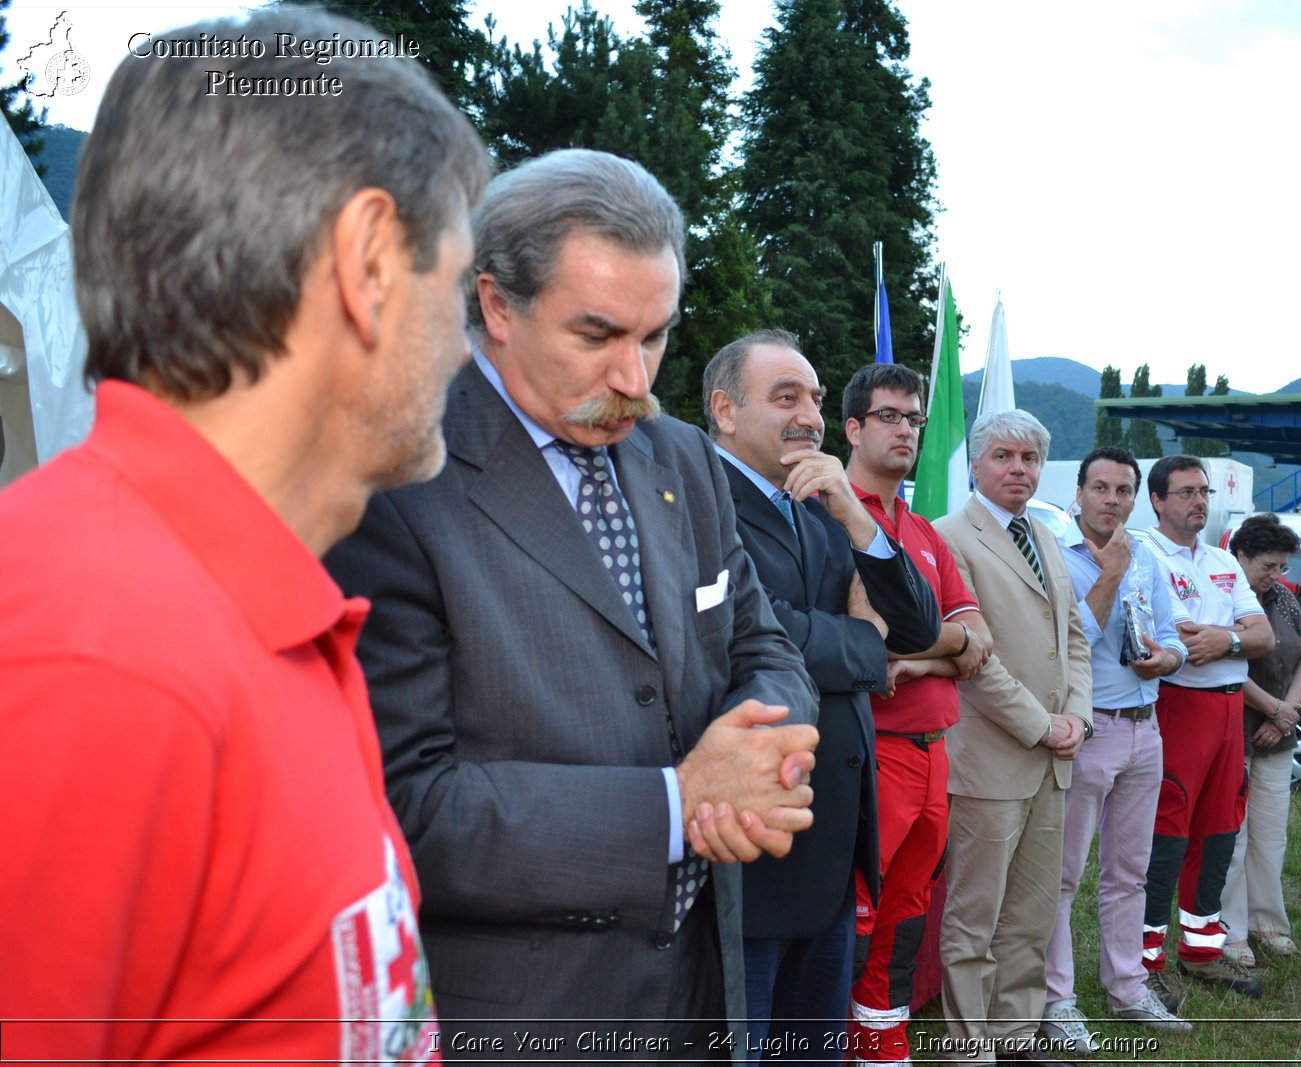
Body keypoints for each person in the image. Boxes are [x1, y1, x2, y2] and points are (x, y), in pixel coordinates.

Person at [0, 9, 490, 1061]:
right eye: (455, 286)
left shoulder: (253, 607)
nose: (466, 347)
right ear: (365, 266)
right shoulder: (93, 658)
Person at [324, 149, 821, 1059]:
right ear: (497, 305)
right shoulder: (391, 481)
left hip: (701, 994)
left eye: (658, 334)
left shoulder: (679, 459)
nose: (637, 377)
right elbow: (404, 806)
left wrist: (765, 748)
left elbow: (763, 641)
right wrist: (679, 805)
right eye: (598, 336)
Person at [702, 331, 940, 1054]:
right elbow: (757, 632)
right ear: (725, 410)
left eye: (813, 396)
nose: (810, 414)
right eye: (786, 397)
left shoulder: (820, 506)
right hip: (751, 835)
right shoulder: (697, 503)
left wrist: (857, 517)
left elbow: (920, 623)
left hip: (832, 836)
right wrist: (866, 645)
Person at [840, 363, 992, 1067]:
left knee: (905, 916)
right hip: (875, 748)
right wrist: (937, 639)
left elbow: (976, 642)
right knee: (859, 914)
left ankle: (883, 1043)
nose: (906, 429)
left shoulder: (924, 530)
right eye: (890, 416)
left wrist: (923, 654)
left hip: (935, 748)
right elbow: (869, 637)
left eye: (915, 419)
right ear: (852, 427)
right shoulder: (832, 515)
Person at [934, 410, 1092, 1066]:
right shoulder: (948, 537)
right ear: (975, 463)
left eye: (1029, 458)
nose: (1018, 469)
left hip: (1054, 757)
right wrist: (1041, 724)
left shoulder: (1046, 535)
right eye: (1003, 456)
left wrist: (1077, 718)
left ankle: (1016, 1040)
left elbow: (1075, 639)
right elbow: (972, 660)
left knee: (1031, 914)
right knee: (975, 916)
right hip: (992, 758)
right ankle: (970, 1049)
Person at [1041, 447, 1193, 1053]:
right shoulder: (1057, 555)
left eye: (1124, 490)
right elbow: (1067, 637)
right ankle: (1058, 999)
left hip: (1144, 726)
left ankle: (1127, 988)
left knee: (1130, 871)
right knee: (1062, 875)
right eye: (1100, 488)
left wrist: (1170, 658)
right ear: (1078, 493)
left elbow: (1174, 628)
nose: (1112, 500)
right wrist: (1110, 572)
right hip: (1087, 729)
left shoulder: (1148, 556)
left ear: (1137, 497)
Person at [1140, 455, 1272, 1003]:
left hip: (1228, 711)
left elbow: (1263, 636)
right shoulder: (1143, 553)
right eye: (1187, 492)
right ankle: (1143, 962)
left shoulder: (1223, 559)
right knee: (1167, 834)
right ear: (1158, 501)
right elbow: (1174, 640)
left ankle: (1200, 951)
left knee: (1219, 832)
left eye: (1204, 491)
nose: (1200, 501)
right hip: (1178, 706)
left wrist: (1229, 639)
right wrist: (1230, 633)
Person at [1219, 513, 1301, 966]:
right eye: (1268, 566)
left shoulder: (1287, 602)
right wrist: (1273, 709)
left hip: (1277, 732)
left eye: (1281, 567)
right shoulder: (1220, 597)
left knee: (1270, 835)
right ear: (1241, 556)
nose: (1276, 575)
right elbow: (1228, 667)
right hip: (1232, 730)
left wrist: (1286, 714)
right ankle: (1230, 929)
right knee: (1232, 836)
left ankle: (1268, 920)